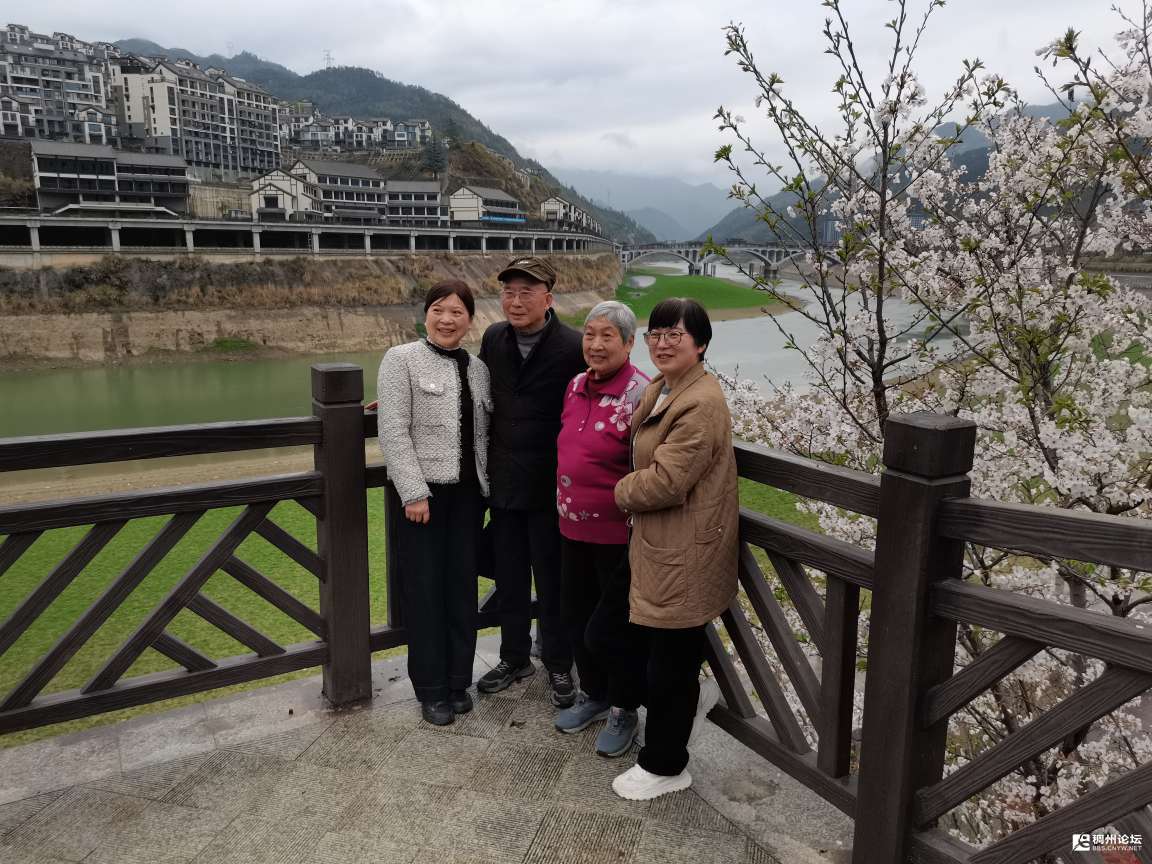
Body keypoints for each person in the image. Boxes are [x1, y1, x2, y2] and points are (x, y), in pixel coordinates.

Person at [610, 297, 739, 801]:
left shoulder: (700, 402)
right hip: (657, 543)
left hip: (684, 551)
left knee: (673, 661)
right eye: (655, 334)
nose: (662, 343)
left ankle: (665, 764)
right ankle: (669, 719)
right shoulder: (664, 387)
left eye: (674, 335)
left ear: (700, 344)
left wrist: (619, 491)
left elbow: (666, 482)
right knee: (627, 642)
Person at [377, 280, 491, 727]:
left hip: (468, 497)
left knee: (461, 590)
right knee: (424, 593)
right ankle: (431, 690)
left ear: (470, 320)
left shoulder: (478, 369)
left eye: (457, 312)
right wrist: (413, 491)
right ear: (425, 314)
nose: (447, 319)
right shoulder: (400, 359)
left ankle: (459, 681)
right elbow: (393, 430)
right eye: (439, 310)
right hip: (423, 499)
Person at [477, 256, 585, 707]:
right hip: (504, 484)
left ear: (549, 298)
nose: (515, 301)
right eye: (508, 292)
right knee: (511, 578)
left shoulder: (574, 346)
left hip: (550, 487)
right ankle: (514, 657)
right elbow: (474, 389)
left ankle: (559, 663)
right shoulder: (493, 338)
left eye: (526, 292)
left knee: (553, 580)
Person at [552, 301, 650, 756]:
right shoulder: (575, 386)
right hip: (570, 528)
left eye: (607, 336)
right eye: (589, 334)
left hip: (618, 535)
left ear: (628, 344)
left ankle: (624, 708)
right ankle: (594, 694)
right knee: (575, 616)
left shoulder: (640, 393)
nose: (595, 344)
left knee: (615, 627)